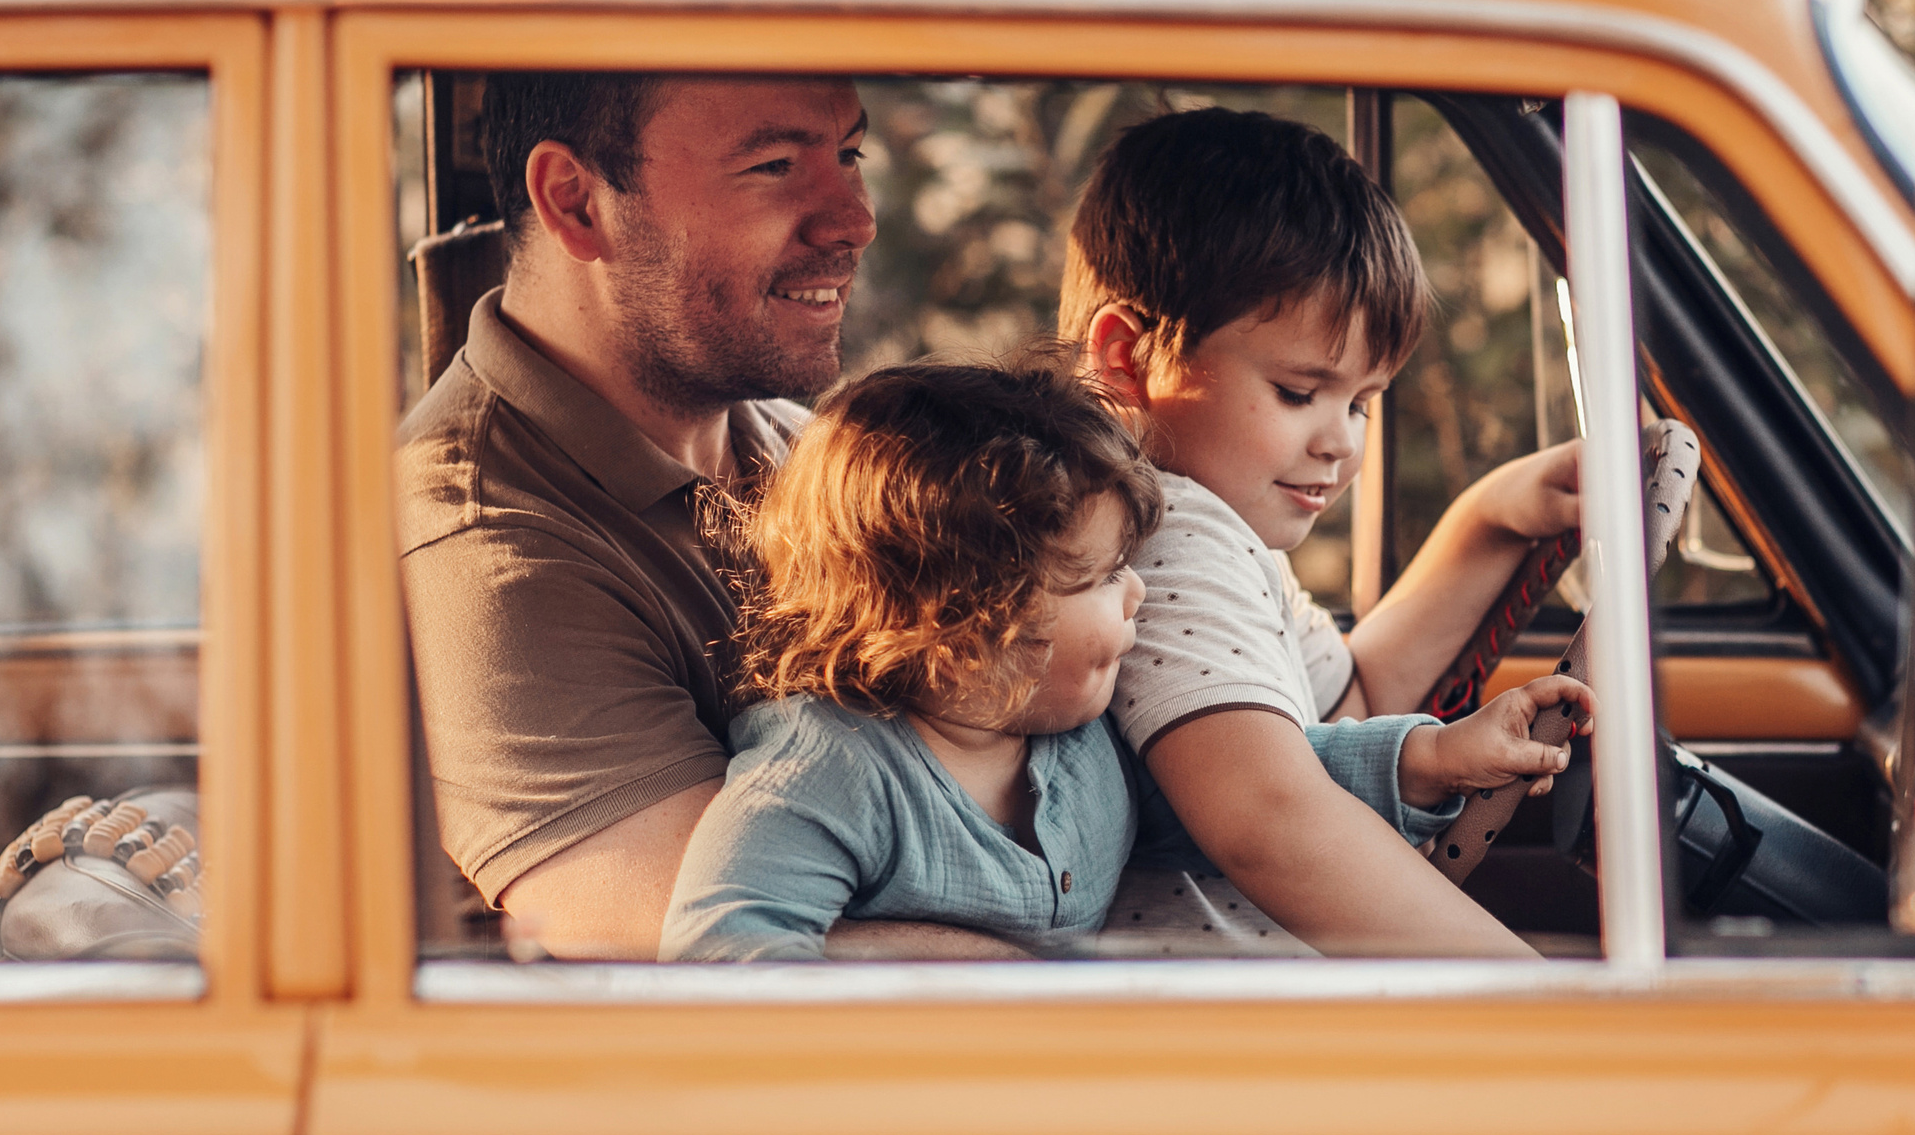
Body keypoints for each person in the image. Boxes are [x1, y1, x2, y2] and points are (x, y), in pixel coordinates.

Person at [661, 353, 1594, 962]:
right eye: (1105, 577)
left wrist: (1430, 756)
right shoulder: (825, 774)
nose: (1138, 594)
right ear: (966, 621)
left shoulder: (1074, 746)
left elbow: (1253, 779)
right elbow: (724, 955)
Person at [399, 70, 986, 960]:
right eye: (777, 165)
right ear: (577, 202)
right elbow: (735, 948)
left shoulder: (806, 449)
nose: (855, 220)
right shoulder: (481, 546)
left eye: (850, 154)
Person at [1064, 107, 1589, 958]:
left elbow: (1353, 703)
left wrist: (1490, 519)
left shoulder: (1219, 531)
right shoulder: (1168, 534)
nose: (1341, 440)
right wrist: (1527, 999)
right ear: (1128, 357)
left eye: (1361, 402)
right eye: (1299, 391)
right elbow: (1270, 817)